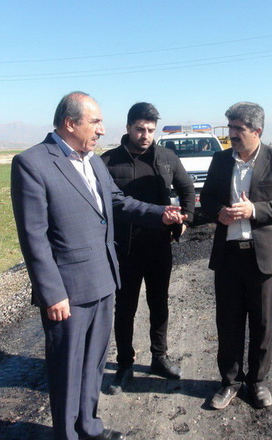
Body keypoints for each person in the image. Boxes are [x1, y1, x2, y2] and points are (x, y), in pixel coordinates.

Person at [10, 92, 186, 440]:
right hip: (69, 293)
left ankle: (89, 427)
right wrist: (51, 293)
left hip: (104, 280)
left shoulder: (92, 162)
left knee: (92, 366)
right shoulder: (32, 163)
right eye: (96, 122)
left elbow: (118, 202)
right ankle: (67, 434)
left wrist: (159, 214)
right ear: (70, 123)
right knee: (67, 371)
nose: (103, 130)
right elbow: (34, 236)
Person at [200, 102, 272, 410]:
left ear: (257, 131)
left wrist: (254, 210)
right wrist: (220, 213)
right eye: (230, 128)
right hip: (229, 256)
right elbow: (207, 198)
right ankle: (229, 382)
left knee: (261, 324)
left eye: (237, 129)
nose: (231, 134)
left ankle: (258, 382)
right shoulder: (219, 160)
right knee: (228, 324)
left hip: (263, 257)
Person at [100, 102, 195, 393]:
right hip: (124, 249)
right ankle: (125, 364)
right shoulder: (108, 161)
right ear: (128, 128)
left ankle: (159, 357)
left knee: (159, 302)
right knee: (125, 307)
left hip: (158, 246)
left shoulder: (166, 158)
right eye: (140, 129)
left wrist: (185, 221)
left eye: (150, 130)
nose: (145, 135)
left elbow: (187, 189)